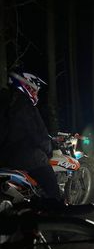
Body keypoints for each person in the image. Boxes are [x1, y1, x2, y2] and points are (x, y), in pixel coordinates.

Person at [0, 70, 61, 201]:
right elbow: (39, 135)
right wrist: (49, 150)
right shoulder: (25, 105)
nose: (36, 93)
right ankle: (56, 216)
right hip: (26, 158)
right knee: (53, 190)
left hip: (4, 158)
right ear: (26, 86)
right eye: (34, 90)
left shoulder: (4, 101)